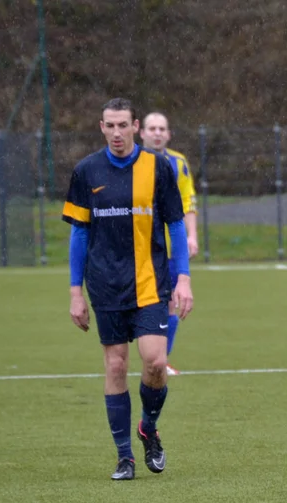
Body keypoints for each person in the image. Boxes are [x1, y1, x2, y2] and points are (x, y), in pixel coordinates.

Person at [64, 97, 194, 481]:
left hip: (151, 281)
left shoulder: (158, 167)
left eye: (123, 125)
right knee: (116, 364)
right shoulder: (87, 171)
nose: (117, 133)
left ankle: (148, 427)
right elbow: (78, 233)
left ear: (135, 126)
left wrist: (183, 277)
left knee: (154, 361)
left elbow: (174, 224)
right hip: (104, 284)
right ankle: (125, 457)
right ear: (101, 127)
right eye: (110, 125)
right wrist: (75, 292)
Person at [139, 111, 199, 375]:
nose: (157, 133)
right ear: (141, 132)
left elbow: (188, 202)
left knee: (171, 301)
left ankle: (162, 359)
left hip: (169, 248)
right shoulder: (130, 162)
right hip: (137, 247)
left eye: (162, 128)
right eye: (152, 128)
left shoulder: (178, 163)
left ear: (169, 134)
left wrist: (191, 236)